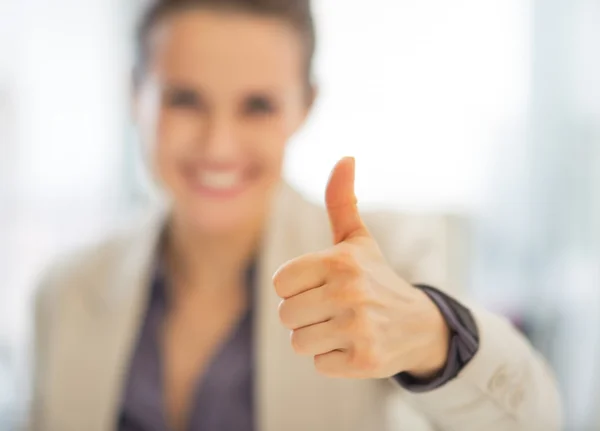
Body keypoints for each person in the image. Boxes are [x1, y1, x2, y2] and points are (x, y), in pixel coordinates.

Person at [28, 0, 561, 430]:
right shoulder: (66, 288)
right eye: (185, 99)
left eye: (257, 105)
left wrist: (431, 337)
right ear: (134, 94)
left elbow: (534, 419)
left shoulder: (388, 263)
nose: (218, 144)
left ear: (305, 105)